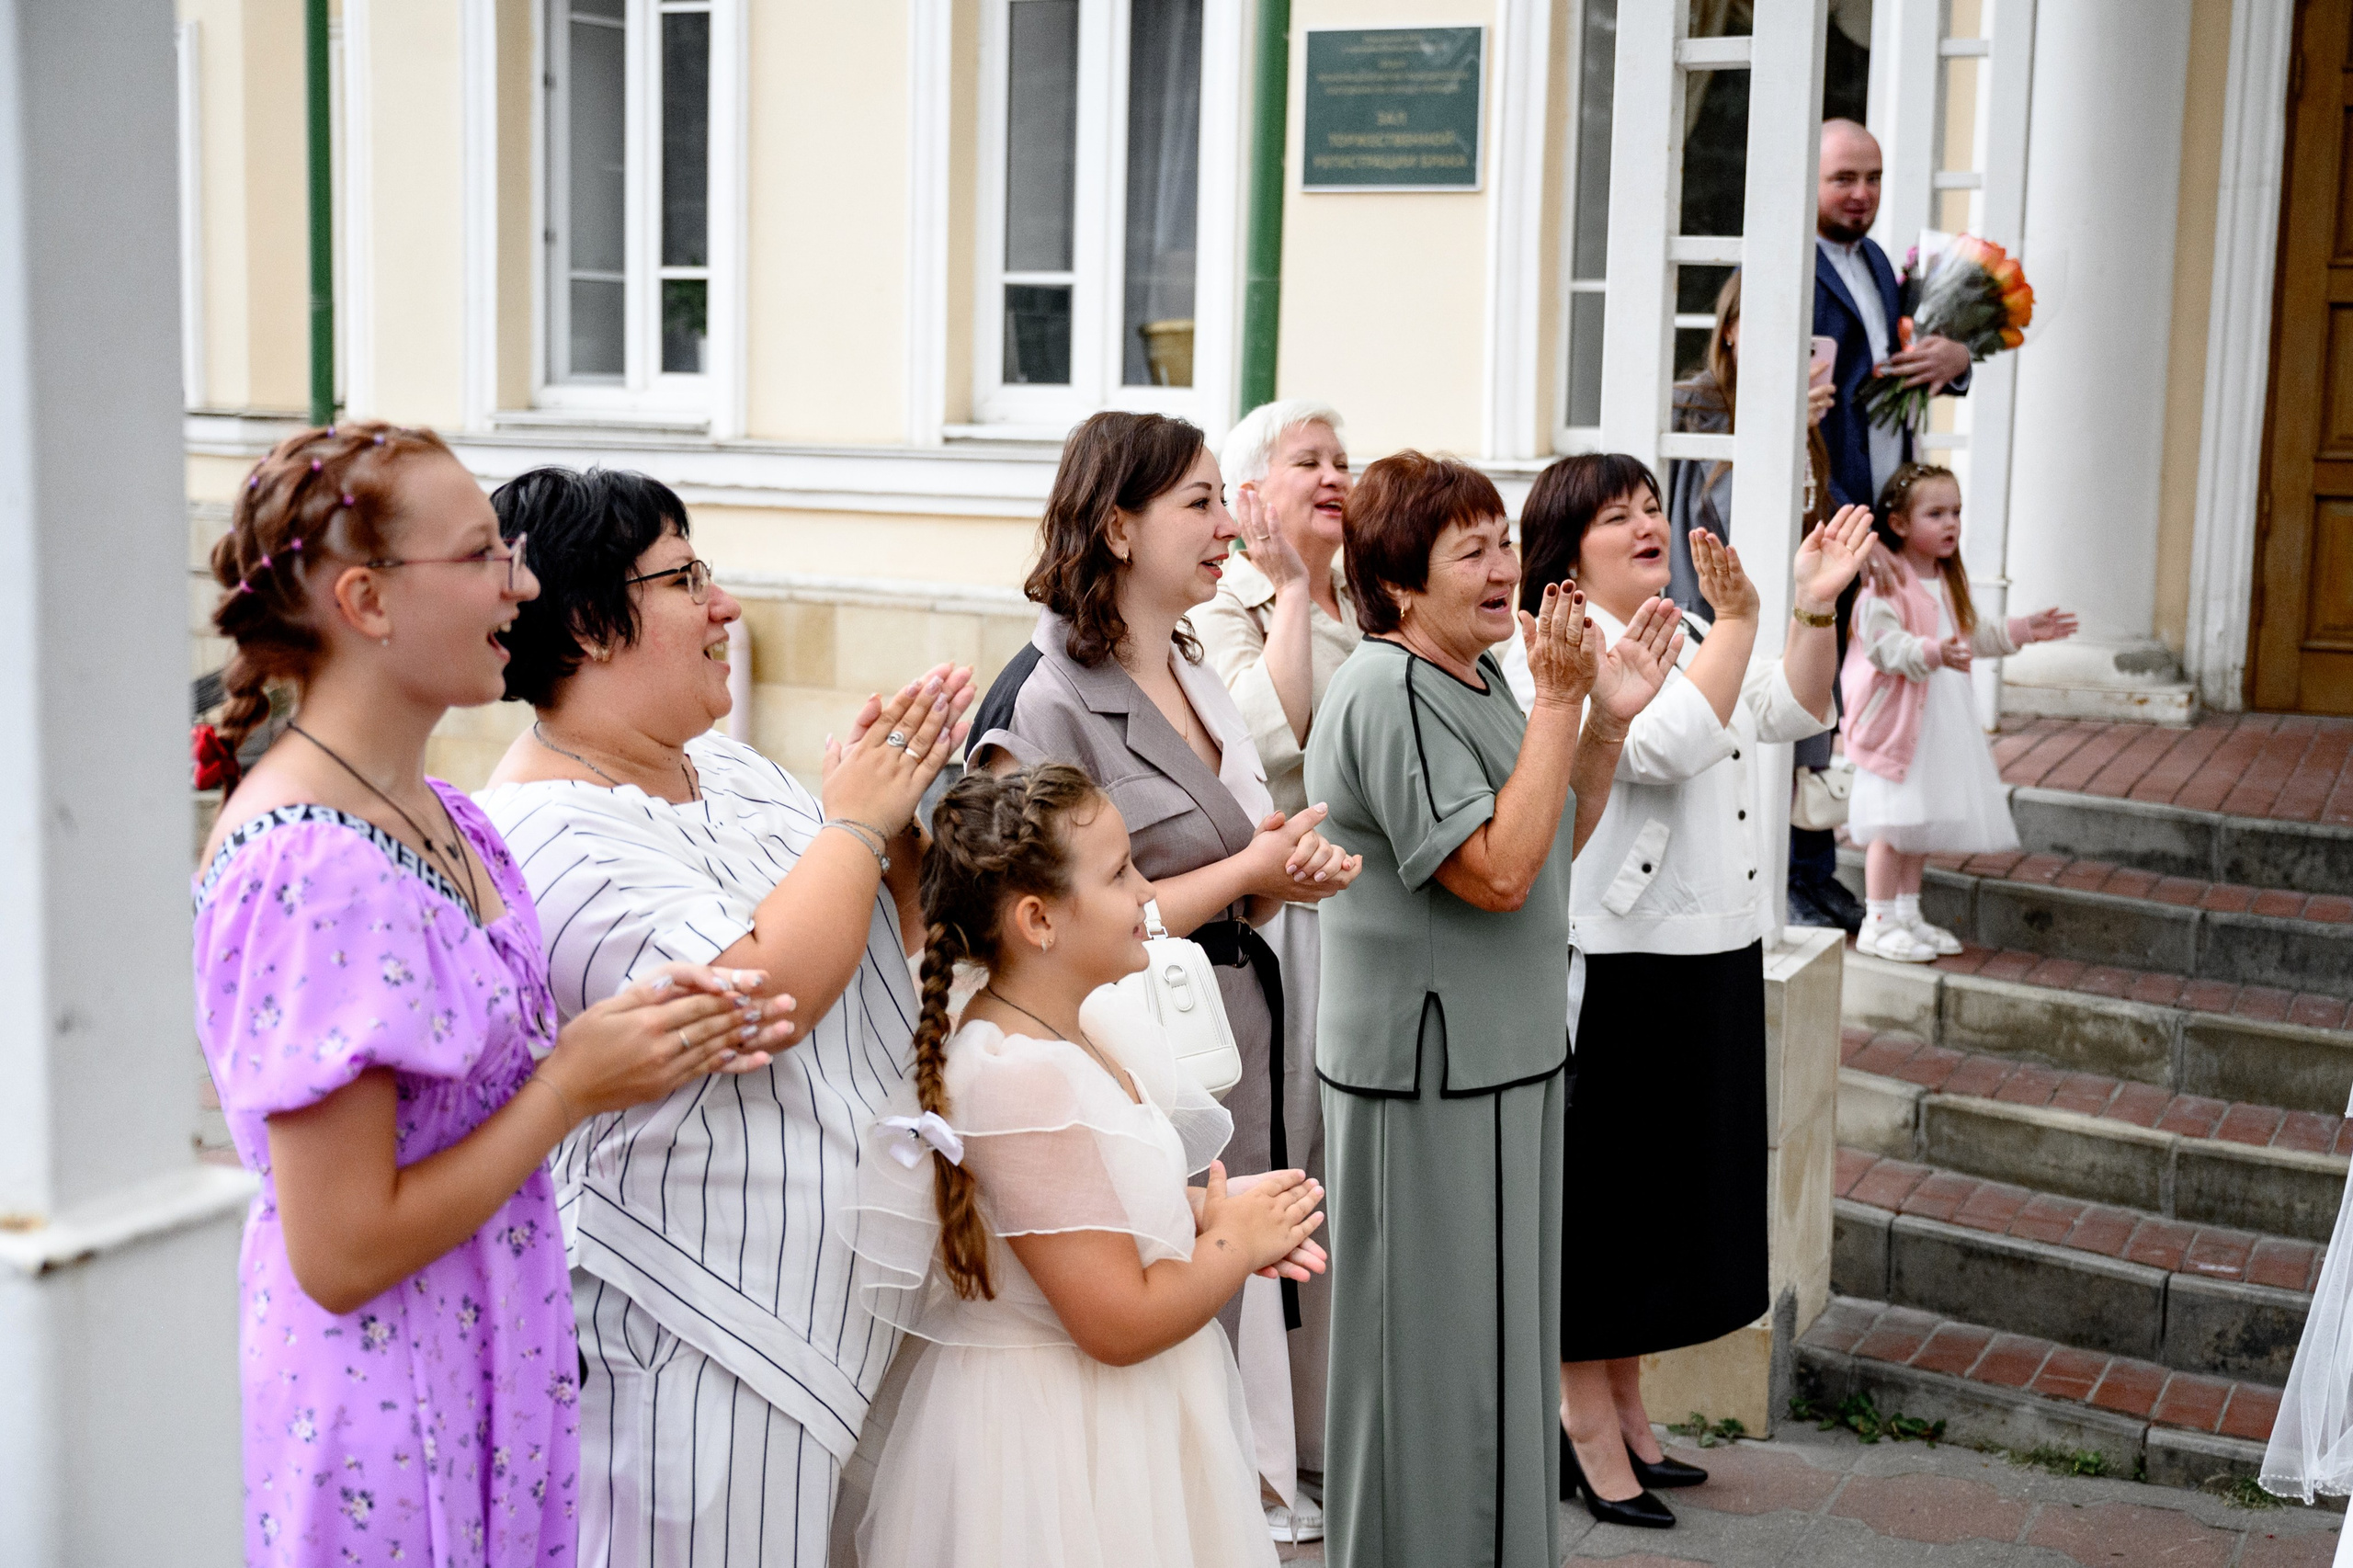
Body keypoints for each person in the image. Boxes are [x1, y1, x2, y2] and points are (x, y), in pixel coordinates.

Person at [192, 424, 792, 1568]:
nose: (519, 585)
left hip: (493, 1381)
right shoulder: (310, 865)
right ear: (367, 600)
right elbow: (341, 1249)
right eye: (480, 555)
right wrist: (572, 1083)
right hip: (387, 1419)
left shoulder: (450, 818)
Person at [476, 466, 972, 1567]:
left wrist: (890, 830)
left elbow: (863, 932)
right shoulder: (541, 834)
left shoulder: (726, 769)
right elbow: (758, 997)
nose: (725, 606)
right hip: (706, 1330)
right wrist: (853, 823)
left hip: (844, 1301)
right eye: (686, 578)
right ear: (590, 623)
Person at [965, 409, 1362, 1542]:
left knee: (1225, 1309)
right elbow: (1038, 921)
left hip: (1230, 1020)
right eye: (1199, 500)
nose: (1229, 522)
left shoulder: (1188, 658)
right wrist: (1247, 871)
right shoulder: (1041, 698)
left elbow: (1224, 856)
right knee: (1160, 1301)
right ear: (1117, 527)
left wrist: (1276, 875)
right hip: (1122, 1056)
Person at [1307, 451, 1683, 1568]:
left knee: (1502, 1353)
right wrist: (1562, 698)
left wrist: (1599, 722)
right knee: (1431, 1363)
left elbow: (1550, 838)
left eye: (1502, 542)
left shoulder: (1473, 677)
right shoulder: (1387, 686)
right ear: (1397, 581)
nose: (1502, 567)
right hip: (1428, 1074)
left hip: (1503, 1058)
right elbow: (1499, 874)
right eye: (1468, 550)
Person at [845, 764, 1329, 1567]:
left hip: (1118, 1418)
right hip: (1057, 1446)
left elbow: (1085, 1206)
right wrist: (1232, 1246)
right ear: (1038, 921)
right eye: (1120, 873)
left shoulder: (1079, 1026)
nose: (1146, 892)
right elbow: (1116, 1320)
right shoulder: (1019, 1079)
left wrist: (1209, 1209)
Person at [1517, 453, 1874, 1528]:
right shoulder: (1561, 639)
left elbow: (1793, 703)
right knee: (1603, 1209)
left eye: (1650, 507)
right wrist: (1742, 622)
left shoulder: (1680, 632)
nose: (1646, 524)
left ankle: (1627, 1407)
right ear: (1564, 544)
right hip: (1616, 953)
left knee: (1658, 1208)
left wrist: (1810, 607)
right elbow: (1668, 742)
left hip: (1712, 943)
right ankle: (1582, 1422)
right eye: (1615, 514)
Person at [1191, 397, 1358, 1541]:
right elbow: (1266, 739)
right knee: (1283, 1162)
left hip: (1361, 912)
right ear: (1252, 493)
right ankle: (1263, 1459)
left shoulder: (1370, 592)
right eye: (1309, 460)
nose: (1335, 475)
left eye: (1344, 458)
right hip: (1280, 913)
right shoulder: (1227, 605)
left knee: (1339, 1176)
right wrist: (1292, 590)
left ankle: (1326, 1433)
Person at [1801, 117, 1978, 922]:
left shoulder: (1876, 262)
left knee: (1864, 699)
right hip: (1826, 518)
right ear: (1808, 180)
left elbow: (1914, 356)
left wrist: (1957, 360)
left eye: (1872, 177)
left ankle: (1842, 868)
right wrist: (1851, 526)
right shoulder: (1789, 266)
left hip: (1884, 514)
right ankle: (1799, 872)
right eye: (1844, 178)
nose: (1861, 193)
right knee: (1814, 697)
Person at [1843, 463, 2077, 961]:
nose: (1951, 523)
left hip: (1939, 721)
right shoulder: (1886, 584)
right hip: (1898, 726)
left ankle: (1908, 913)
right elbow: (1883, 645)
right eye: (1936, 514)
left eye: (1956, 512)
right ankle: (1877, 921)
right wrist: (1931, 652)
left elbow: (1969, 634)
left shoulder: (1946, 580)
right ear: (1899, 523)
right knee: (1891, 825)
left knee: (1920, 820)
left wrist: (2022, 629)